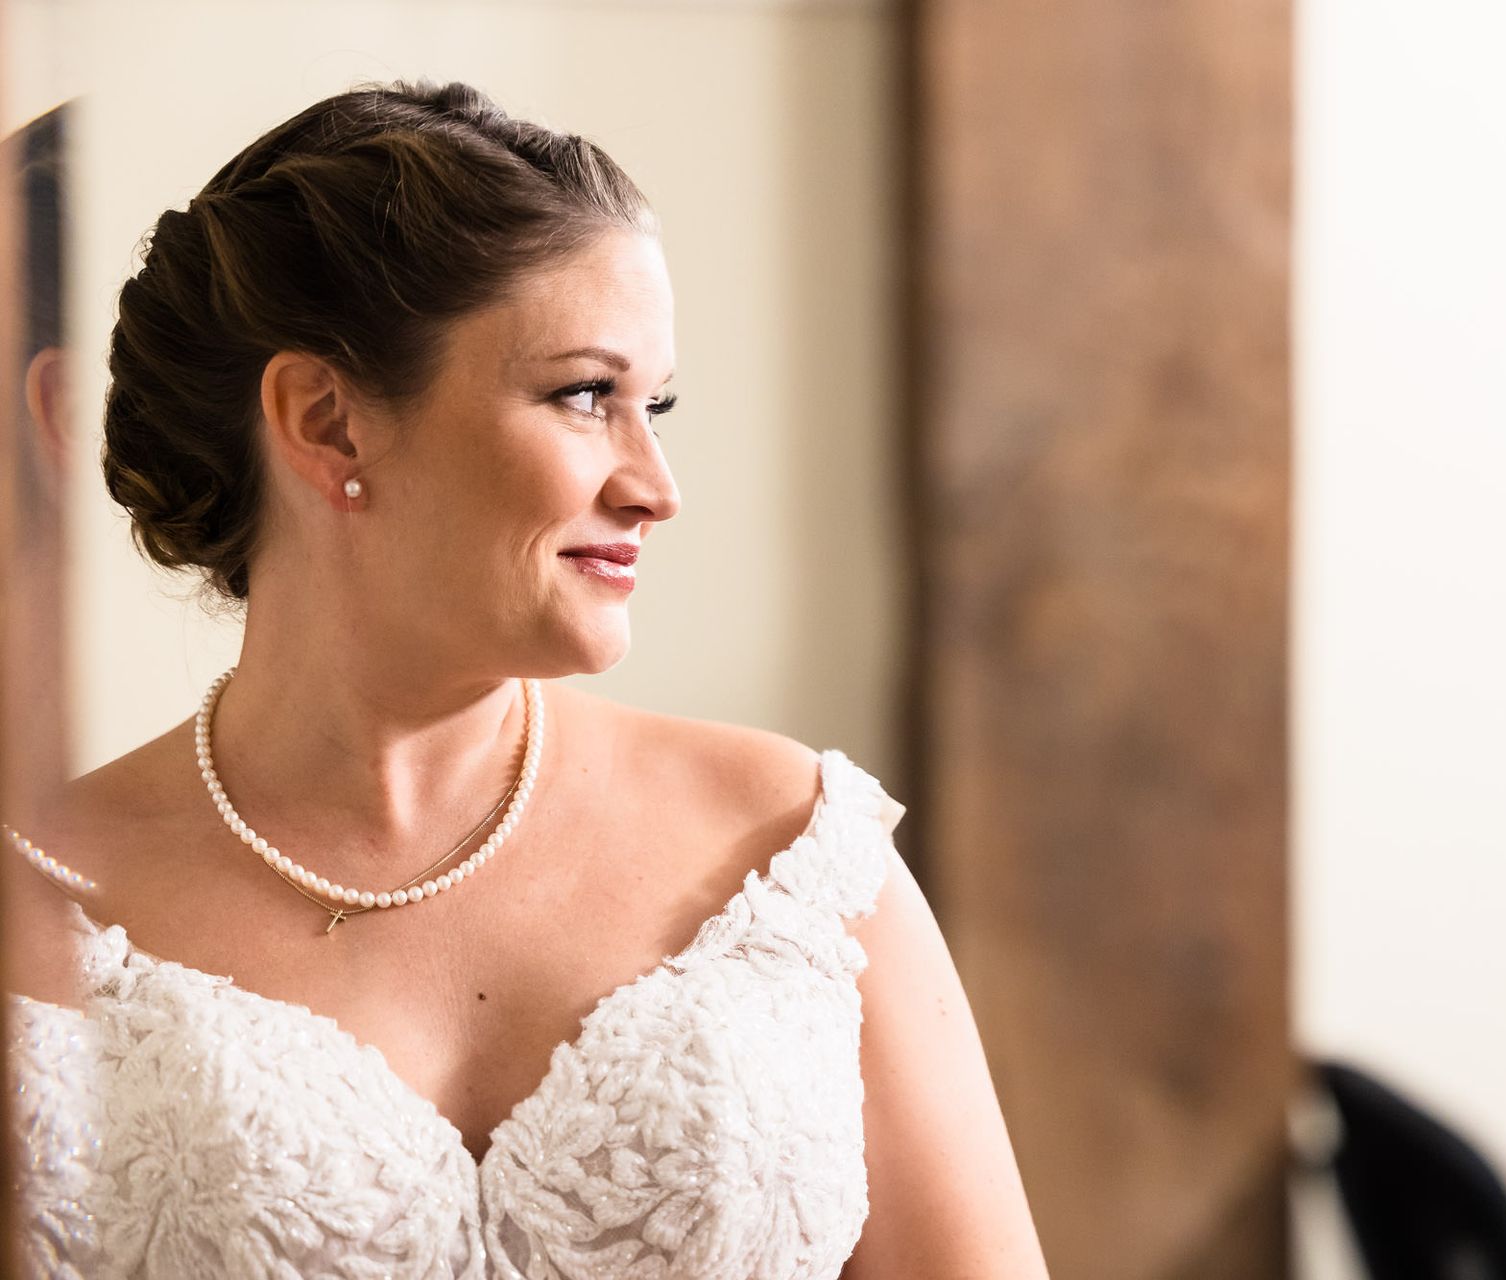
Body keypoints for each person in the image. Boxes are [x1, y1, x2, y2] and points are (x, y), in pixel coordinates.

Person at [3, 78, 1049, 1279]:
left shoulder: (791, 857)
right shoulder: (32, 909)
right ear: (327, 420)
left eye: (655, 404)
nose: (655, 485)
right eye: (585, 395)